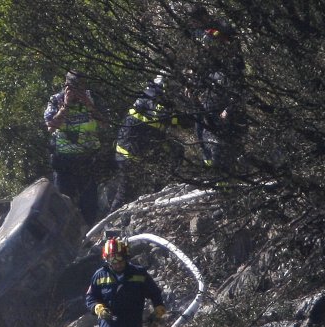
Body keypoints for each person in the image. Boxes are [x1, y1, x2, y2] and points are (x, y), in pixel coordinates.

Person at [109, 75, 194, 211]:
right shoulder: (151, 97)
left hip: (142, 148)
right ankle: (111, 221)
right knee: (126, 190)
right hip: (129, 152)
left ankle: (158, 193)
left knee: (175, 151)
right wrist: (185, 119)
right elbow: (165, 116)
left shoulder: (152, 96)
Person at [85, 237, 166, 327]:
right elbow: (91, 297)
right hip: (108, 323)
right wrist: (98, 308)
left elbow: (155, 294)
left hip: (131, 325)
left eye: (119, 259)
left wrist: (158, 309)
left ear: (126, 257)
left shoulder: (139, 274)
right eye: (112, 260)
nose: (117, 264)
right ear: (107, 260)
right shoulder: (99, 276)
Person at [184, 6, 246, 175]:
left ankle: (226, 168)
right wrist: (191, 79)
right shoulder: (198, 33)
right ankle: (213, 168)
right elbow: (196, 59)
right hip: (209, 82)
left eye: (196, 20)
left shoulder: (219, 29)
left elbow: (231, 53)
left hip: (223, 81)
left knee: (220, 127)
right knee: (201, 127)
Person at [44, 70, 108, 225]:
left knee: (89, 205)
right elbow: (51, 127)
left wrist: (88, 104)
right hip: (64, 160)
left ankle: (88, 236)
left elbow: (104, 124)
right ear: (66, 86)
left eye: (81, 87)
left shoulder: (92, 98)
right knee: (63, 205)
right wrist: (65, 106)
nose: (78, 91)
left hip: (87, 160)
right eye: (74, 87)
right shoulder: (56, 100)